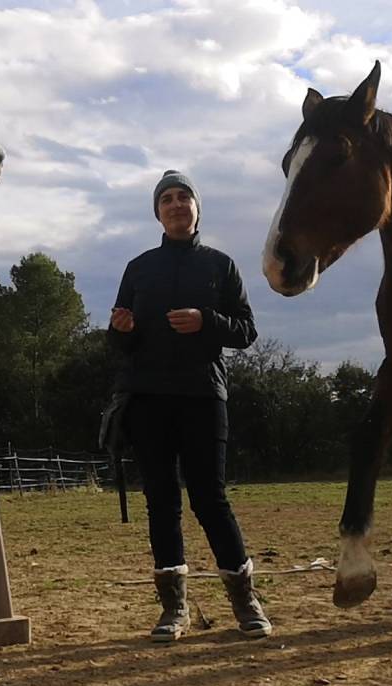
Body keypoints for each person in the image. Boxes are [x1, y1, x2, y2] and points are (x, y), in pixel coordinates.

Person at [107, 169, 272, 642]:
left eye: (184, 198)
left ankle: (246, 604)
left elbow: (246, 332)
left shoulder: (221, 266)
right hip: (147, 400)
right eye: (167, 200)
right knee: (161, 502)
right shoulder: (138, 268)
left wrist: (207, 321)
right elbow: (121, 343)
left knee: (210, 499)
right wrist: (121, 329)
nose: (177, 205)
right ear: (157, 213)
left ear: (197, 208)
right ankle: (173, 611)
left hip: (203, 395)